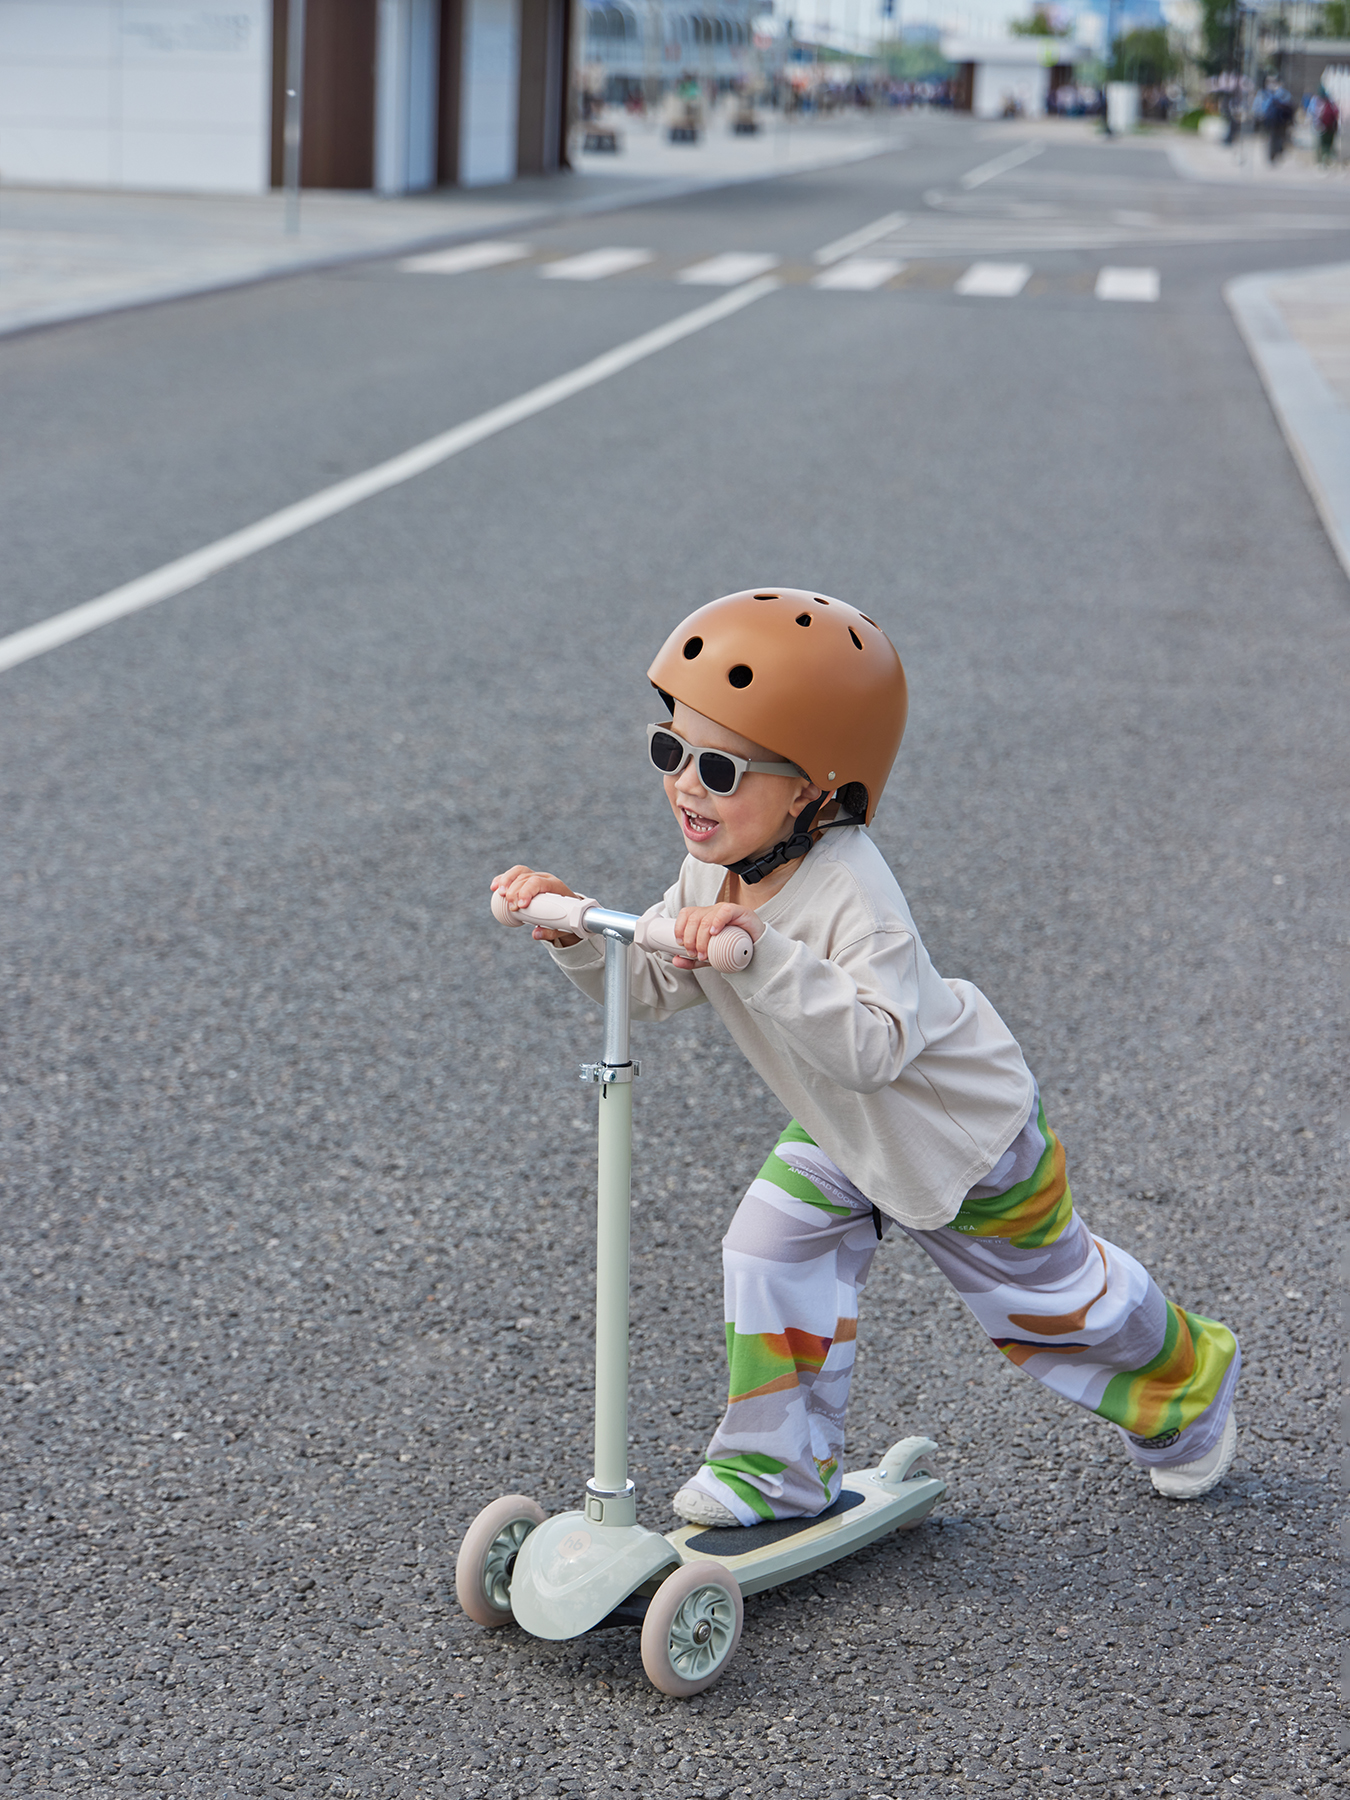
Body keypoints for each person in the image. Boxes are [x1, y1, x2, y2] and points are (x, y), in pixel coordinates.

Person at [492, 589, 1241, 1527]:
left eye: (720, 767)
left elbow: (875, 1048)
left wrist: (763, 953)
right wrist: (572, 930)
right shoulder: (715, 871)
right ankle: (778, 1470)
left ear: (813, 787)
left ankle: (1190, 1383)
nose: (686, 785)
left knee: (1058, 1311)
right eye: (669, 749)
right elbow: (654, 987)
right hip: (847, 1133)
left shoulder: (854, 892)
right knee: (768, 1250)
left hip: (960, 1138)